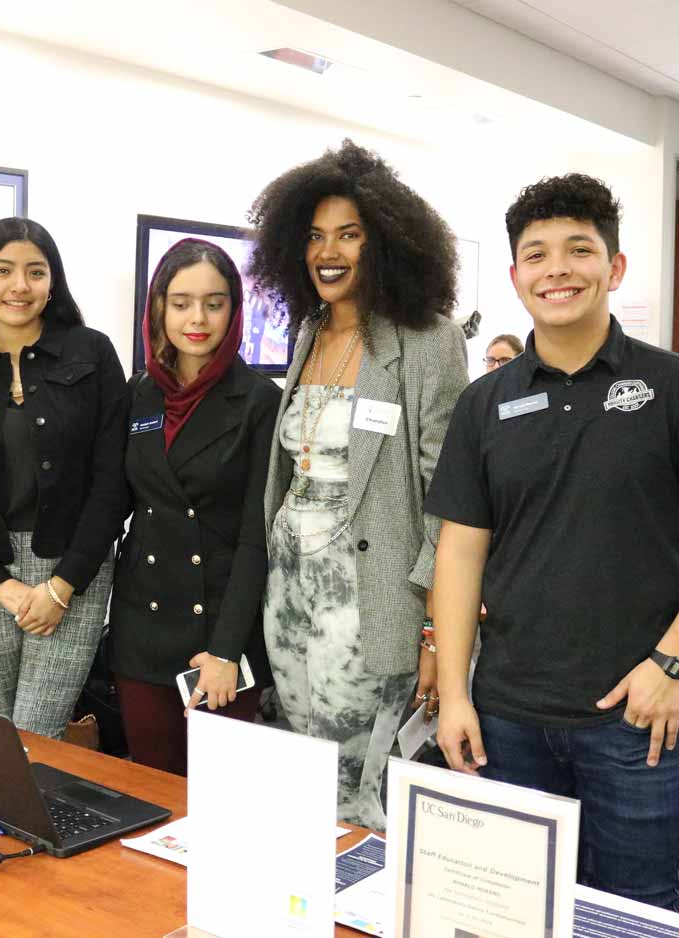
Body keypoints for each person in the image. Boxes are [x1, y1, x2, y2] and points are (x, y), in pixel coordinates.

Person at [427, 174, 679, 911]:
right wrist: (455, 692)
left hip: (638, 716)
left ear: (613, 268)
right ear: (516, 278)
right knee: (513, 909)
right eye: (537, 255)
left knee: (634, 911)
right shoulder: (484, 403)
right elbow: (459, 552)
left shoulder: (678, 389)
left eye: (579, 250)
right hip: (508, 715)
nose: (558, 270)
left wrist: (671, 662)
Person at [248, 140, 469, 827]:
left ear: (386, 243)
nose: (328, 251)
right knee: (301, 760)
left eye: (349, 234)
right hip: (289, 590)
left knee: (355, 782)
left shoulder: (428, 341)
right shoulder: (309, 330)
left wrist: (440, 632)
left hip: (369, 598)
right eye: (314, 236)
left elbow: (450, 498)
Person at [0, 218, 128, 740]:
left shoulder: (93, 353)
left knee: (36, 736)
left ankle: (33, 821)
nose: (19, 286)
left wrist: (61, 586)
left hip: (72, 571)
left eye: (35, 272)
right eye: (3, 270)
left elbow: (113, 482)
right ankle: (5, 824)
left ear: (52, 281)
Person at [109, 238, 280, 775]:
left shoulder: (258, 400)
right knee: (150, 792)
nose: (197, 318)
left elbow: (258, 538)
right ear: (158, 307)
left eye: (214, 302)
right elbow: (115, 503)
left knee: (217, 801)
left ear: (234, 309)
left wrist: (228, 651)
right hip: (143, 630)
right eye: (180, 302)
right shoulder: (138, 395)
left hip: (220, 635)